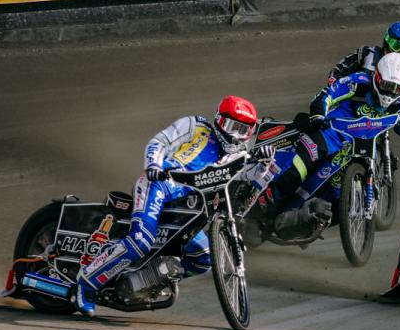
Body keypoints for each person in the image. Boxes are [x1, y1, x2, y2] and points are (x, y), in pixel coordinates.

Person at [75, 95, 261, 317]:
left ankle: (147, 280)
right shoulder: (195, 125)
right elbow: (159, 142)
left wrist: (263, 162)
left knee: (204, 258)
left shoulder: (239, 155)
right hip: (159, 186)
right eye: (232, 126)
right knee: (141, 241)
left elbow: (250, 178)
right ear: (219, 120)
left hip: (187, 209)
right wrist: (153, 165)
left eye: (243, 130)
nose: (236, 135)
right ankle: (86, 284)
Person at [269, 52, 400, 231]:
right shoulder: (358, 80)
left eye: (396, 88)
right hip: (334, 133)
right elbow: (327, 95)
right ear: (377, 76)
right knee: (301, 164)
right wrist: (319, 113)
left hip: (364, 145)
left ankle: (309, 220)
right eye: (386, 85)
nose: (390, 92)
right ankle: (270, 196)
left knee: (340, 199)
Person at [327, 21, 400, 105]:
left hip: (381, 116)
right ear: (387, 40)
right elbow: (337, 71)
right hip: (351, 107)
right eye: (397, 46)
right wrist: (340, 86)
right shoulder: (366, 54)